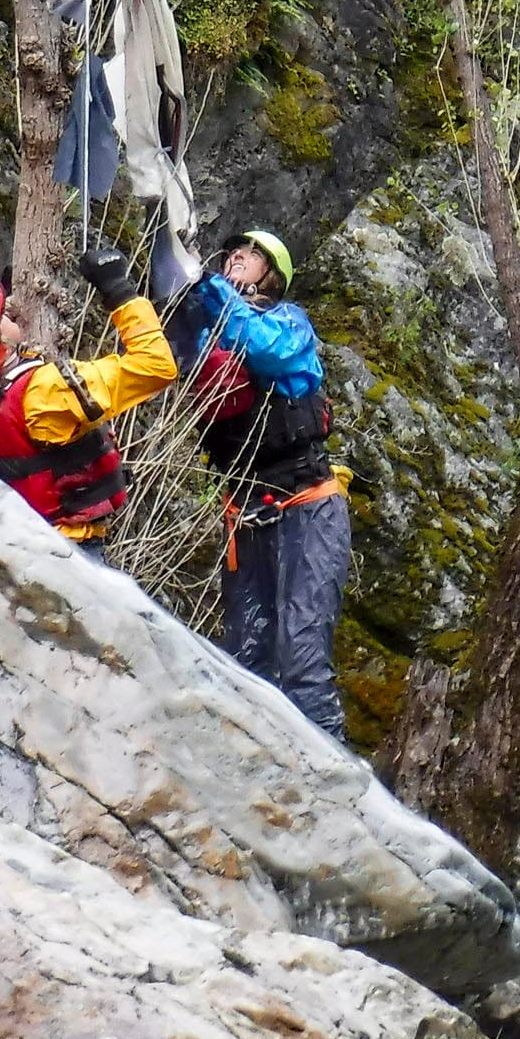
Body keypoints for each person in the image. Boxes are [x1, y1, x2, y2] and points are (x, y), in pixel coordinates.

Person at [171, 228, 350, 744]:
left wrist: (214, 292)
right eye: (232, 253)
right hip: (247, 515)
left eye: (250, 255)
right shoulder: (208, 330)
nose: (236, 258)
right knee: (247, 659)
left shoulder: (289, 322)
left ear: (272, 273)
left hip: (307, 511)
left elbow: (269, 353)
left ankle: (337, 790)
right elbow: (172, 357)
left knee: (302, 660)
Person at [0, 247, 178, 541]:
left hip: (18, 541)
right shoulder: (45, 392)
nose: (8, 310)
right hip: (71, 547)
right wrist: (118, 289)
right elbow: (157, 366)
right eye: (2, 314)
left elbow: (7, 375)